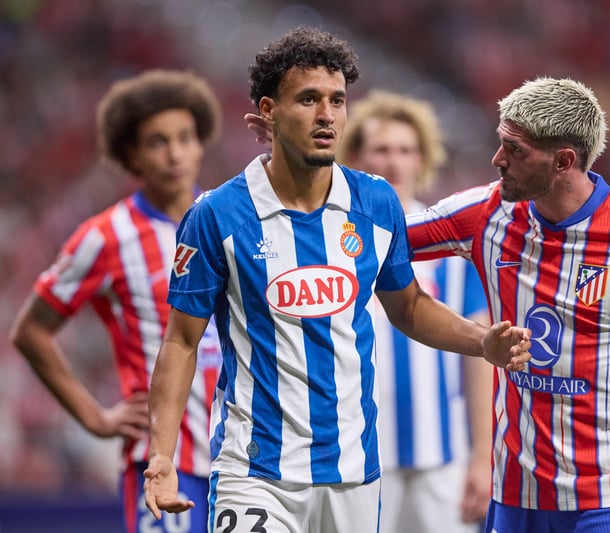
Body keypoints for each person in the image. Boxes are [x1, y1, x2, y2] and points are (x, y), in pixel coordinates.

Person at [142, 26, 531, 533]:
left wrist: (482, 342)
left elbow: (409, 306)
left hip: (354, 471)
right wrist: (162, 454)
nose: (327, 114)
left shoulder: (375, 203)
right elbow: (181, 341)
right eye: (308, 99)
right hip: (256, 471)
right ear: (269, 110)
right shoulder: (218, 215)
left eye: (337, 100)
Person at [402, 77, 610, 533]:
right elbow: (386, 237)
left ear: (563, 161)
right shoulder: (485, 214)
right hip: (516, 496)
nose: (498, 160)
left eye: (515, 150)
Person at [9, 69, 223, 533]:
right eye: (157, 142)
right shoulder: (107, 236)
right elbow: (31, 331)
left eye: (185, 137)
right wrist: (96, 418)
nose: (175, 154)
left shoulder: (229, 220)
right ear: (131, 154)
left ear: (201, 142)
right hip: (162, 462)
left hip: (241, 460)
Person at [338, 89, 493, 532]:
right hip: (357, 456)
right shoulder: (333, 238)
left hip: (442, 456)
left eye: (406, 150)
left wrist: (482, 456)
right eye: (382, 149)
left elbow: (480, 356)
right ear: (355, 156)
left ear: (422, 159)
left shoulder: (450, 246)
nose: (394, 162)